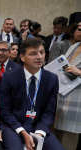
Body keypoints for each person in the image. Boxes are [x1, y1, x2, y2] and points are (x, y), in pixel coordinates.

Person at [0, 38, 65, 150]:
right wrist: (22, 132)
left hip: (38, 127)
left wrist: (39, 133)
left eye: (41, 52)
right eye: (33, 54)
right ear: (22, 57)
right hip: (13, 126)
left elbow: (49, 112)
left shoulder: (51, 79)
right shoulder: (9, 77)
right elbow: (5, 111)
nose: (39, 57)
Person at [53, 22, 81, 150]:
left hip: (77, 99)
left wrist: (79, 72)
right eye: (78, 28)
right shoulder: (74, 46)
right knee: (56, 132)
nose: (78, 31)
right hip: (62, 94)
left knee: (70, 136)